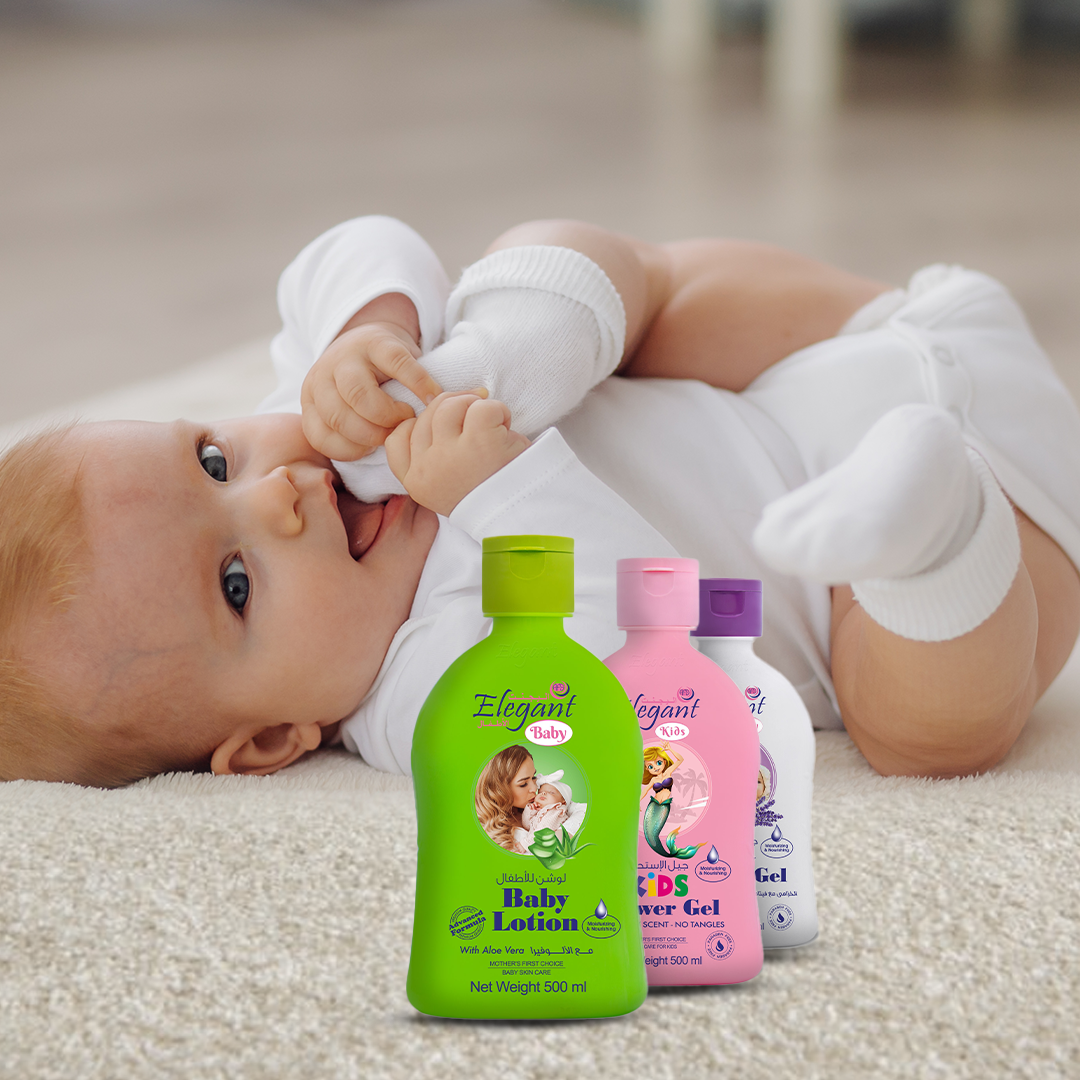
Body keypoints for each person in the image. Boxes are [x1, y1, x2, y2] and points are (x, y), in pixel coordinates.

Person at [2, 214, 1078, 788]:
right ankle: (933, 524)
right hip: (966, 558)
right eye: (237, 584)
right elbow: (669, 677)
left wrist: (373, 330)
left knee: (553, 265)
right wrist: (504, 491)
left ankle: (526, 338)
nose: (279, 492)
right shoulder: (431, 692)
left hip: (838, 349)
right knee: (924, 731)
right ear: (276, 740)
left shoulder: (324, 416)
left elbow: (356, 247)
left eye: (208, 461)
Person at [475, 746, 537, 852]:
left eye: (534, 777)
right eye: (523, 784)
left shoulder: (541, 802)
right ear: (498, 789)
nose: (534, 788)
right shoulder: (484, 831)